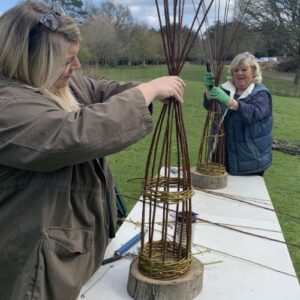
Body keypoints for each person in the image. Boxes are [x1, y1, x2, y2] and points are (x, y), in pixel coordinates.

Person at [0, 1, 185, 299]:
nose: (77, 67)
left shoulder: (54, 84)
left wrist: (147, 88)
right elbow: (74, 133)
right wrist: (147, 92)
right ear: (30, 61)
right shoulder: (7, 106)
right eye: (66, 60)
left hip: (67, 254)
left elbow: (100, 90)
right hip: (32, 267)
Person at [203, 52, 272, 176]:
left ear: (254, 72)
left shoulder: (261, 93)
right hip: (221, 155)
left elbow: (252, 114)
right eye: (236, 70)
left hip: (249, 160)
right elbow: (211, 107)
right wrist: (209, 91)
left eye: (244, 69)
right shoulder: (226, 89)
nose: (239, 73)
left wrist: (230, 102)